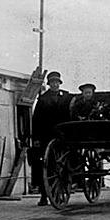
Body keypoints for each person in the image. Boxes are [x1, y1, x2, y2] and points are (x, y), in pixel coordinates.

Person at [31, 71, 71, 206]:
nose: (55, 85)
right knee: (45, 166)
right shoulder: (43, 99)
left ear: (60, 83)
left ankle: (60, 193)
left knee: (63, 164)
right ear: (49, 84)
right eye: (52, 82)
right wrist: (36, 138)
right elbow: (36, 120)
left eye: (57, 82)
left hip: (63, 136)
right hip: (46, 137)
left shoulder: (66, 97)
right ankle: (44, 195)